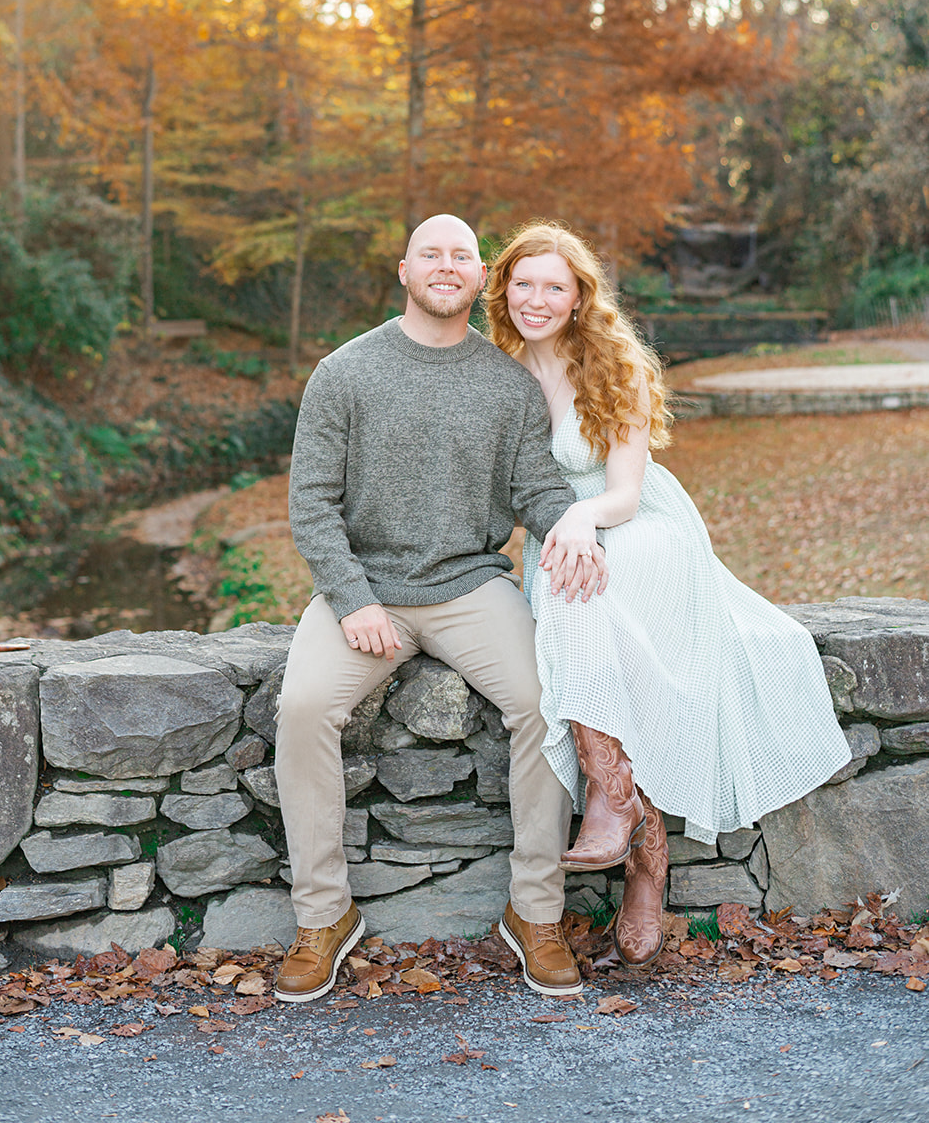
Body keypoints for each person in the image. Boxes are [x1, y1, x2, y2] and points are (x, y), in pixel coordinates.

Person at [484, 223, 852, 968]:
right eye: (523, 282)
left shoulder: (614, 361)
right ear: (502, 289)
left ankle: (613, 804)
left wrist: (580, 517)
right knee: (567, 586)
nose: (536, 298)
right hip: (559, 543)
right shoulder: (494, 371)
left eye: (554, 285)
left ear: (580, 295)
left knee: (577, 583)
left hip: (638, 523)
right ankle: (639, 839)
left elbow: (622, 490)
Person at [273, 213, 608, 1003]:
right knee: (301, 707)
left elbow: (535, 488)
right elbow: (311, 506)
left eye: (462, 255)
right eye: (432, 253)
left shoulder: (504, 382)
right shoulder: (345, 372)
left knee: (541, 704)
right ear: (404, 270)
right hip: (363, 591)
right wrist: (352, 598)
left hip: (468, 586)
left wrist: (579, 527)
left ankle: (535, 913)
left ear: (478, 273)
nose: (446, 265)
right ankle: (323, 917)